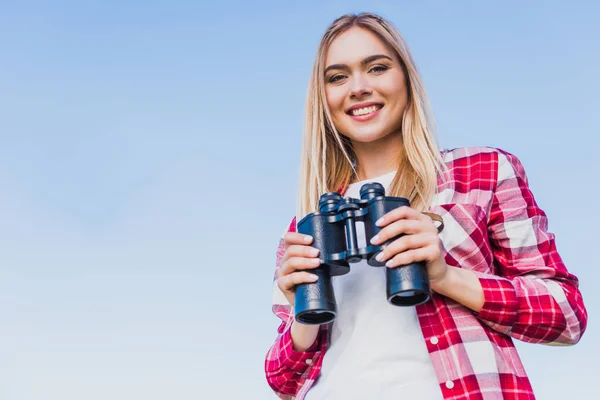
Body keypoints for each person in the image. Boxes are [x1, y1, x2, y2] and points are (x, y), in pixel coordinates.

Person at [264, 12, 587, 400]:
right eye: (338, 77)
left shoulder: (482, 171)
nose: (358, 88)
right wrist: (304, 313)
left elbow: (567, 316)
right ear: (324, 99)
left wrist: (445, 276)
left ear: (405, 78)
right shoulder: (308, 223)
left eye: (377, 68)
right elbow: (284, 384)